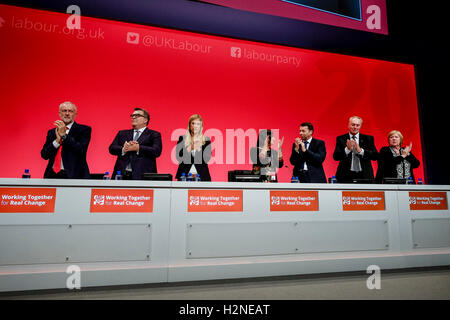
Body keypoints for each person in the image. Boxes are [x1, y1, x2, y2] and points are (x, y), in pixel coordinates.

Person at [41, 101, 91, 179]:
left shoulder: (84, 130)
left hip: (74, 175)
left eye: (70, 111)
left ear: (75, 114)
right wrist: (57, 141)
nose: (67, 113)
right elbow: (44, 155)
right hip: (52, 175)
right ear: (59, 113)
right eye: (64, 111)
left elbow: (81, 149)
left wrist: (64, 136)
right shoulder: (52, 132)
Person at [109, 107, 162, 180]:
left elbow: (156, 151)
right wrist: (124, 148)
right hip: (121, 175)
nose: (133, 117)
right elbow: (112, 148)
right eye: (132, 116)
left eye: (137, 116)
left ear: (145, 120)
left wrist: (138, 148)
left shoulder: (153, 134)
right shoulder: (122, 133)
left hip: (142, 176)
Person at [332, 116, 378, 183]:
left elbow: (375, 156)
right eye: (353, 124)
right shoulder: (341, 138)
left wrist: (361, 151)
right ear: (348, 125)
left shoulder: (368, 139)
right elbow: (336, 157)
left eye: (357, 125)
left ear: (360, 126)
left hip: (364, 175)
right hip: (345, 176)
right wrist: (347, 149)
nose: (355, 127)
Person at [175, 114, 211, 181]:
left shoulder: (206, 140)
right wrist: (190, 148)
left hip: (202, 176)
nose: (195, 126)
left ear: (201, 126)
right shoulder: (182, 138)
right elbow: (178, 156)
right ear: (189, 125)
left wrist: (199, 148)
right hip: (184, 176)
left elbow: (207, 159)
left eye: (198, 124)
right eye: (193, 123)